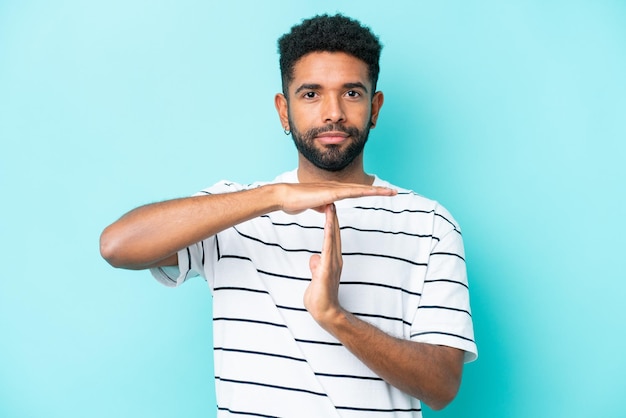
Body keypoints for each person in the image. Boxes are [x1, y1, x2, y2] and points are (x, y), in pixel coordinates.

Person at [100, 13, 477, 418]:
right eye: (311, 94)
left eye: (351, 93)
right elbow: (118, 246)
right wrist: (275, 196)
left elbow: (441, 387)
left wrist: (335, 317)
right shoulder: (236, 211)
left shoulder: (429, 224)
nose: (333, 112)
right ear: (284, 110)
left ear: (374, 107)